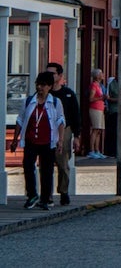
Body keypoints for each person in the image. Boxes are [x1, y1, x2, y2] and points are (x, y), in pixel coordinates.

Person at [14, 73, 65, 210]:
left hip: (48, 141)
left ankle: (45, 198)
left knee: (47, 170)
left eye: (43, 85)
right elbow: (20, 120)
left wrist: (60, 140)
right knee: (28, 166)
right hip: (31, 140)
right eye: (38, 84)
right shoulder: (29, 101)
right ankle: (32, 194)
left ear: (49, 87)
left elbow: (60, 121)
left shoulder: (55, 102)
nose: (39, 87)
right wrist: (15, 139)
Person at [47, 62, 80, 204]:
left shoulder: (68, 94)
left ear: (60, 76)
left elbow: (75, 115)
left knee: (63, 162)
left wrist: (77, 136)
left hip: (64, 130)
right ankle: (46, 194)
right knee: (46, 163)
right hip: (47, 129)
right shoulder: (43, 93)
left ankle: (63, 191)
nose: (49, 76)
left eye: (52, 73)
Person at [86, 68, 107, 158]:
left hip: (101, 108)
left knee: (99, 130)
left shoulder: (100, 85)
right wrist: (101, 98)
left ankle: (97, 150)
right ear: (97, 76)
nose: (103, 75)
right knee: (95, 129)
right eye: (101, 73)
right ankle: (91, 150)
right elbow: (91, 98)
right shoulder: (94, 85)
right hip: (95, 108)